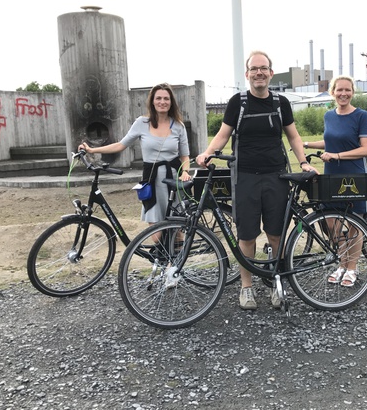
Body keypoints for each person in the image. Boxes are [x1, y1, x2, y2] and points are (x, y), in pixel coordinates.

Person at [196, 50, 317, 310]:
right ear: (247, 74)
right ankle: (247, 288)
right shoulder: (237, 103)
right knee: (247, 235)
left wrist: (303, 162)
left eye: (264, 68)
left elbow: (293, 137)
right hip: (245, 177)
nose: (259, 73)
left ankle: (276, 282)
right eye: (254, 69)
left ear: (271, 73)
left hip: (277, 175)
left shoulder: (280, 103)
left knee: (276, 233)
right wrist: (207, 153)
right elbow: (223, 134)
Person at [79, 83, 191, 232]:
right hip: (152, 178)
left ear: (171, 102)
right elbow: (120, 145)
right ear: (152, 101)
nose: (162, 102)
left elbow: (185, 155)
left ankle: (176, 254)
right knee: (156, 233)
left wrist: (185, 172)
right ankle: (161, 253)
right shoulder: (141, 123)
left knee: (177, 229)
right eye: (158, 98)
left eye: (166, 98)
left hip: (174, 179)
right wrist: (92, 150)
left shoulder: (178, 126)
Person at [303, 75, 367, 287]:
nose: (343, 94)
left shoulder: (362, 116)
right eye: (339, 90)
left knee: (354, 224)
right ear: (333, 92)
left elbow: (366, 149)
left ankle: (352, 268)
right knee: (331, 222)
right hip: (331, 175)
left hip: (354, 174)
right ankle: (342, 263)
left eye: (347, 90)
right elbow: (330, 140)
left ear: (352, 92)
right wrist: (306, 144)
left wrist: (337, 156)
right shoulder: (329, 116)